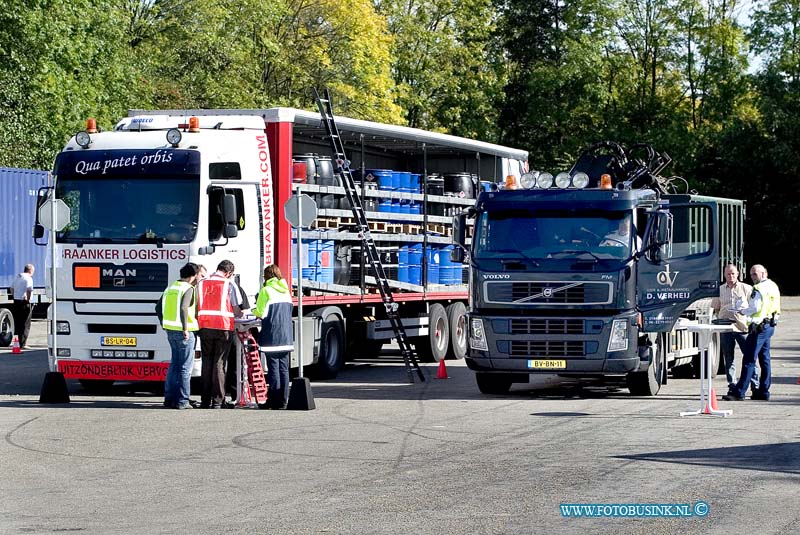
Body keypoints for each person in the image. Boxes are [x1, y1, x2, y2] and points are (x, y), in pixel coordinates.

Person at [723, 264, 781, 402]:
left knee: (749, 359)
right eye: (751, 274)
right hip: (769, 325)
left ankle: (739, 392)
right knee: (765, 359)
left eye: (755, 274)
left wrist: (742, 311)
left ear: (764, 273)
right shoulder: (773, 285)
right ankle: (763, 391)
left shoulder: (758, 288)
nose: (753, 276)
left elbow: (755, 307)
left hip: (759, 327)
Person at [196, 260, 243, 408]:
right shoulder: (229, 284)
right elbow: (236, 309)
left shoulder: (202, 283)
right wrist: (242, 314)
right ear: (228, 273)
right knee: (220, 363)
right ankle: (217, 400)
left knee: (207, 362)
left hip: (204, 326)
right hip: (223, 327)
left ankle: (204, 400)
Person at [156, 263, 199, 409]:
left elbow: (157, 307)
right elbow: (183, 307)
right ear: (193, 275)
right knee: (185, 368)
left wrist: (163, 323)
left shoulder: (170, 288)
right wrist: (185, 328)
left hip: (170, 330)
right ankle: (182, 400)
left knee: (174, 365)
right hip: (184, 332)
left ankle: (169, 399)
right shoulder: (188, 288)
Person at [253, 264, 294, 410]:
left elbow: (259, 312)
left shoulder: (266, 290)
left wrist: (252, 310)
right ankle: (283, 400)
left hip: (272, 335)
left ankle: (273, 400)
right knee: (284, 368)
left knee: (273, 368)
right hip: (286, 335)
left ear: (266, 276)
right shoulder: (286, 291)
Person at [711, 264, 757, 391]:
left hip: (741, 327)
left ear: (738, 274)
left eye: (733, 274)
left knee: (749, 356)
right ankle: (732, 384)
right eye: (728, 274)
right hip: (725, 327)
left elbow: (753, 307)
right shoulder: (719, 290)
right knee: (728, 357)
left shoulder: (747, 288)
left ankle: (755, 384)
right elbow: (716, 308)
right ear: (724, 275)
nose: (730, 276)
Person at [12, 264, 35, 348]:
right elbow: (29, 289)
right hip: (24, 302)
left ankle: (20, 341)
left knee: (19, 321)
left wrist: (15, 295)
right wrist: (28, 299)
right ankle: (23, 343)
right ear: (30, 271)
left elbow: (11, 288)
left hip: (16, 301)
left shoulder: (18, 277)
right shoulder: (28, 278)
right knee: (26, 323)